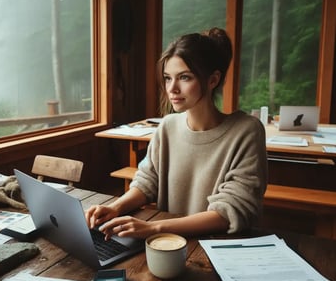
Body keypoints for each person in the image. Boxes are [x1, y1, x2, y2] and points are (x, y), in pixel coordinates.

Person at [86, 27, 267, 239]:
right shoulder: (167, 126)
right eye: (167, 78)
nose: (172, 88)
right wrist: (116, 207)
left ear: (213, 80)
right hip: (167, 247)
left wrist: (154, 228)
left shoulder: (246, 131)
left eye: (184, 77)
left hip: (217, 247)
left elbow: (230, 211)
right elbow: (147, 181)